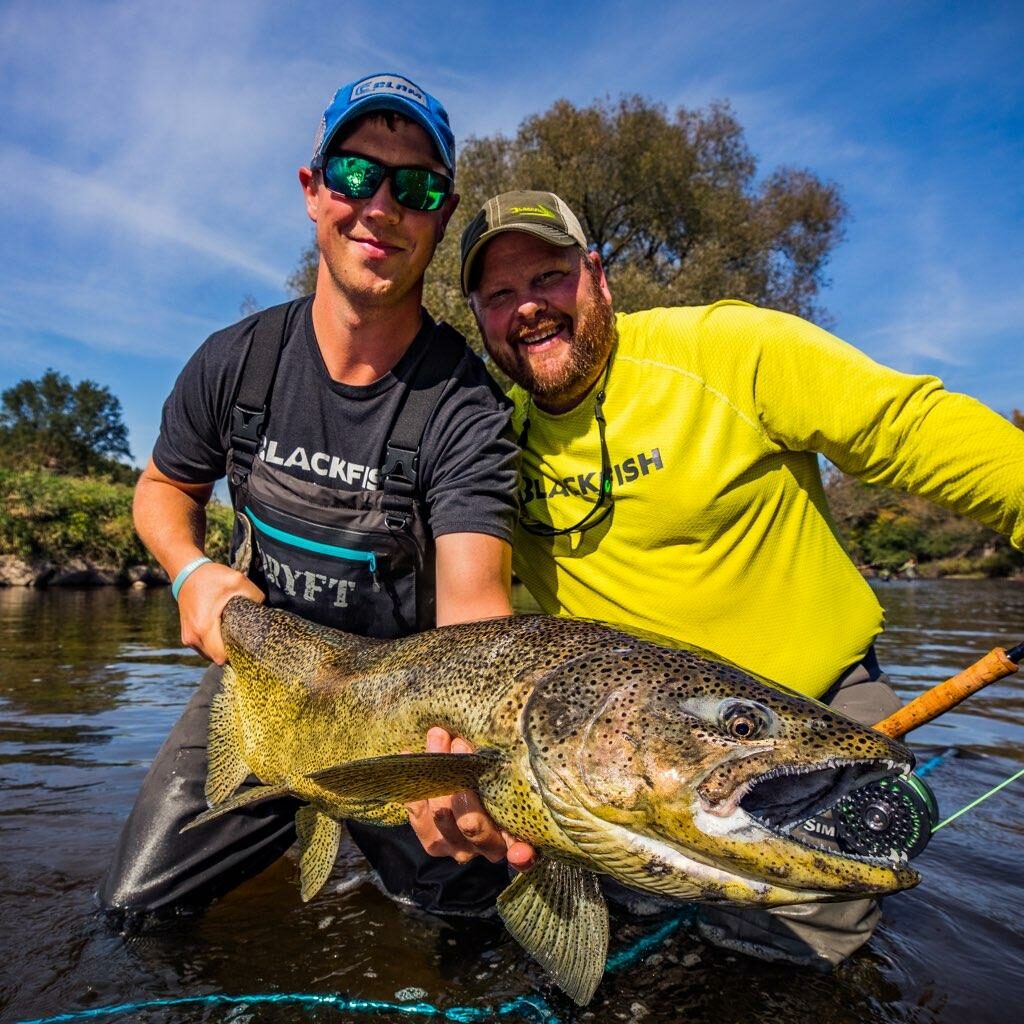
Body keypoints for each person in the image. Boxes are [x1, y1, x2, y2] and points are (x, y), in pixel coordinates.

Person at [439, 188, 1024, 967]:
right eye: (500, 295)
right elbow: (493, 622)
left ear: (598, 276)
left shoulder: (726, 349)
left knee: (803, 968)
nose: (529, 309)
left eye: (548, 278)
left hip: (805, 729)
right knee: (644, 962)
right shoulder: (491, 446)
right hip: (619, 763)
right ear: (479, 318)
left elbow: (908, 427)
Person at [98, 73, 527, 926]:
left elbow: (479, 622)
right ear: (312, 190)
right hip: (254, 695)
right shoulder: (236, 360)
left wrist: (464, 764)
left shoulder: (465, 407)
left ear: (441, 216)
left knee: (477, 931)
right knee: (133, 918)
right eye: (357, 175)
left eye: (417, 187)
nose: (381, 206)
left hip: (399, 728)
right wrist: (189, 573)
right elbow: (162, 487)